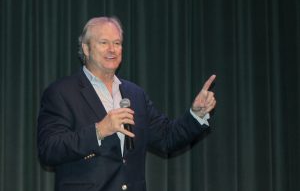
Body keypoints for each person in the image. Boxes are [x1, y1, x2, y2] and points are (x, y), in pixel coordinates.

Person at [37, 16, 216, 191]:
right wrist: (99, 131)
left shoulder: (134, 94)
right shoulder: (61, 92)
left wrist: (196, 114)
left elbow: (167, 137)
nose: (112, 49)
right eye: (104, 42)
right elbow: (49, 149)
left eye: (117, 43)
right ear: (86, 48)